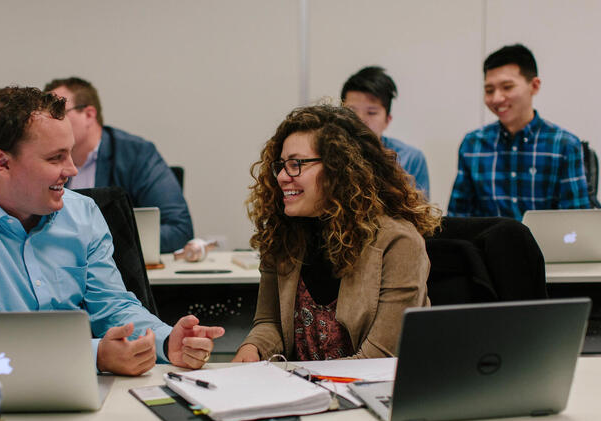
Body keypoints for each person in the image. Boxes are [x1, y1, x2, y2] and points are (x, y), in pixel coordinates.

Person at [0, 86, 223, 376]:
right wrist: (95, 355)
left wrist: (166, 341)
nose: (71, 170)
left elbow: (111, 306)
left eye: (70, 154)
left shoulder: (82, 213)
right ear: (2, 162)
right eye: (56, 158)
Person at [232, 105, 441, 362]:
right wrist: (252, 351)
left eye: (296, 164)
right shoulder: (284, 233)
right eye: (282, 166)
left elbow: (379, 358)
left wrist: (303, 385)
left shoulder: (398, 242)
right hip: (300, 392)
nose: (283, 177)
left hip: (364, 397)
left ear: (338, 168)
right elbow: (270, 322)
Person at [44, 77, 193, 253]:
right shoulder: (43, 159)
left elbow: (179, 230)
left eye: (58, 114)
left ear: (89, 115)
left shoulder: (136, 154)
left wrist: (99, 245)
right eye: (46, 116)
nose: (50, 124)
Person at [448, 43, 590, 219]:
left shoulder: (563, 146)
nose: (497, 98)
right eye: (489, 90)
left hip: (544, 246)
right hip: (487, 246)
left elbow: (575, 222)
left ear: (534, 86)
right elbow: (457, 219)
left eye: (507, 87)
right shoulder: (473, 145)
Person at [341, 66, 430, 198]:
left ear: (387, 120)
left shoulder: (410, 159)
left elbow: (420, 214)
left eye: (371, 112)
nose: (360, 120)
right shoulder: (325, 154)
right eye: (351, 111)